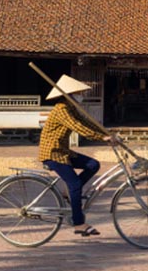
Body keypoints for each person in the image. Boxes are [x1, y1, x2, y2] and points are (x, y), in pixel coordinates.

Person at [38, 75, 114, 237]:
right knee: (75, 186)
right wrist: (102, 138)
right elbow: (79, 127)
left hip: (63, 151)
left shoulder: (71, 108)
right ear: (69, 94)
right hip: (53, 153)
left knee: (93, 165)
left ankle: (68, 192)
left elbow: (86, 122)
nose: (81, 95)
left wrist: (107, 133)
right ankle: (79, 223)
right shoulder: (62, 110)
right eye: (78, 92)